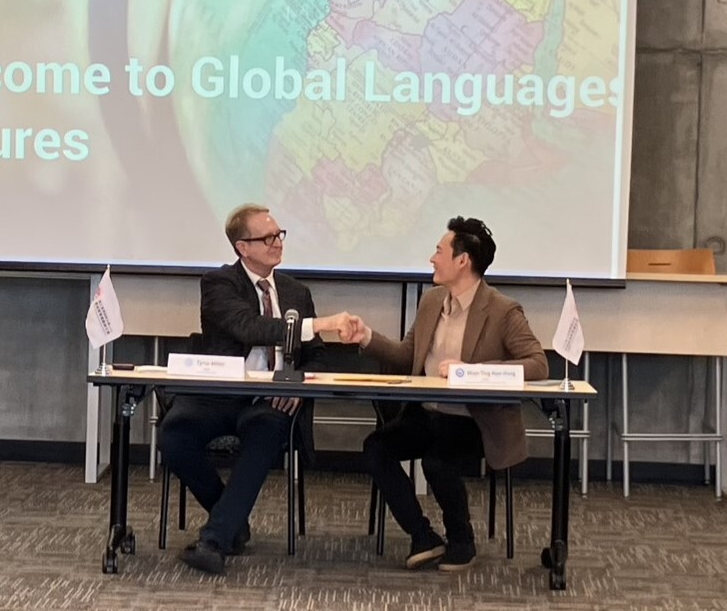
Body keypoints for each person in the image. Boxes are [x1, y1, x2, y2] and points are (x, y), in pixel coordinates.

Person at [340, 216, 548, 571]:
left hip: (472, 419)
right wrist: (367, 338)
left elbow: (538, 365)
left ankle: (461, 542)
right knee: (376, 448)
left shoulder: (502, 310)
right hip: (425, 413)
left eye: (439, 251)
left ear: (462, 261)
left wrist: (475, 372)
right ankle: (423, 536)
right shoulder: (432, 300)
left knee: (436, 463)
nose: (432, 259)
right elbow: (409, 355)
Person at [159, 203, 356, 575]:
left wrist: (299, 384)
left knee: (268, 428)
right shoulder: (219, 284)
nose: (277, 243)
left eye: (279, 235)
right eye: (266, 238)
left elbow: (317, 357)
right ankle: (231, 520)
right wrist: (322, 323)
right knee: (174, 434)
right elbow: (250, 328)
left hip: (271, 399)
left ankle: (215, 539)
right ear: (242, 247)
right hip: (219, 394)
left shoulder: (296, 292)